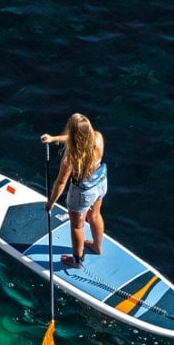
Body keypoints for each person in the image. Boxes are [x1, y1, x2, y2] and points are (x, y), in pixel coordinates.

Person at [40, 112, 107, 268]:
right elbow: (78, 137)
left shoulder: (72, 156)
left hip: (83, 192)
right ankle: (97, 247)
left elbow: (61, 183)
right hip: (100, 181)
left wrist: (51, 202)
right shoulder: (98, 137)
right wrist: (54, 139)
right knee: (95, 215)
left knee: (77, 226)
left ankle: (76, 261)